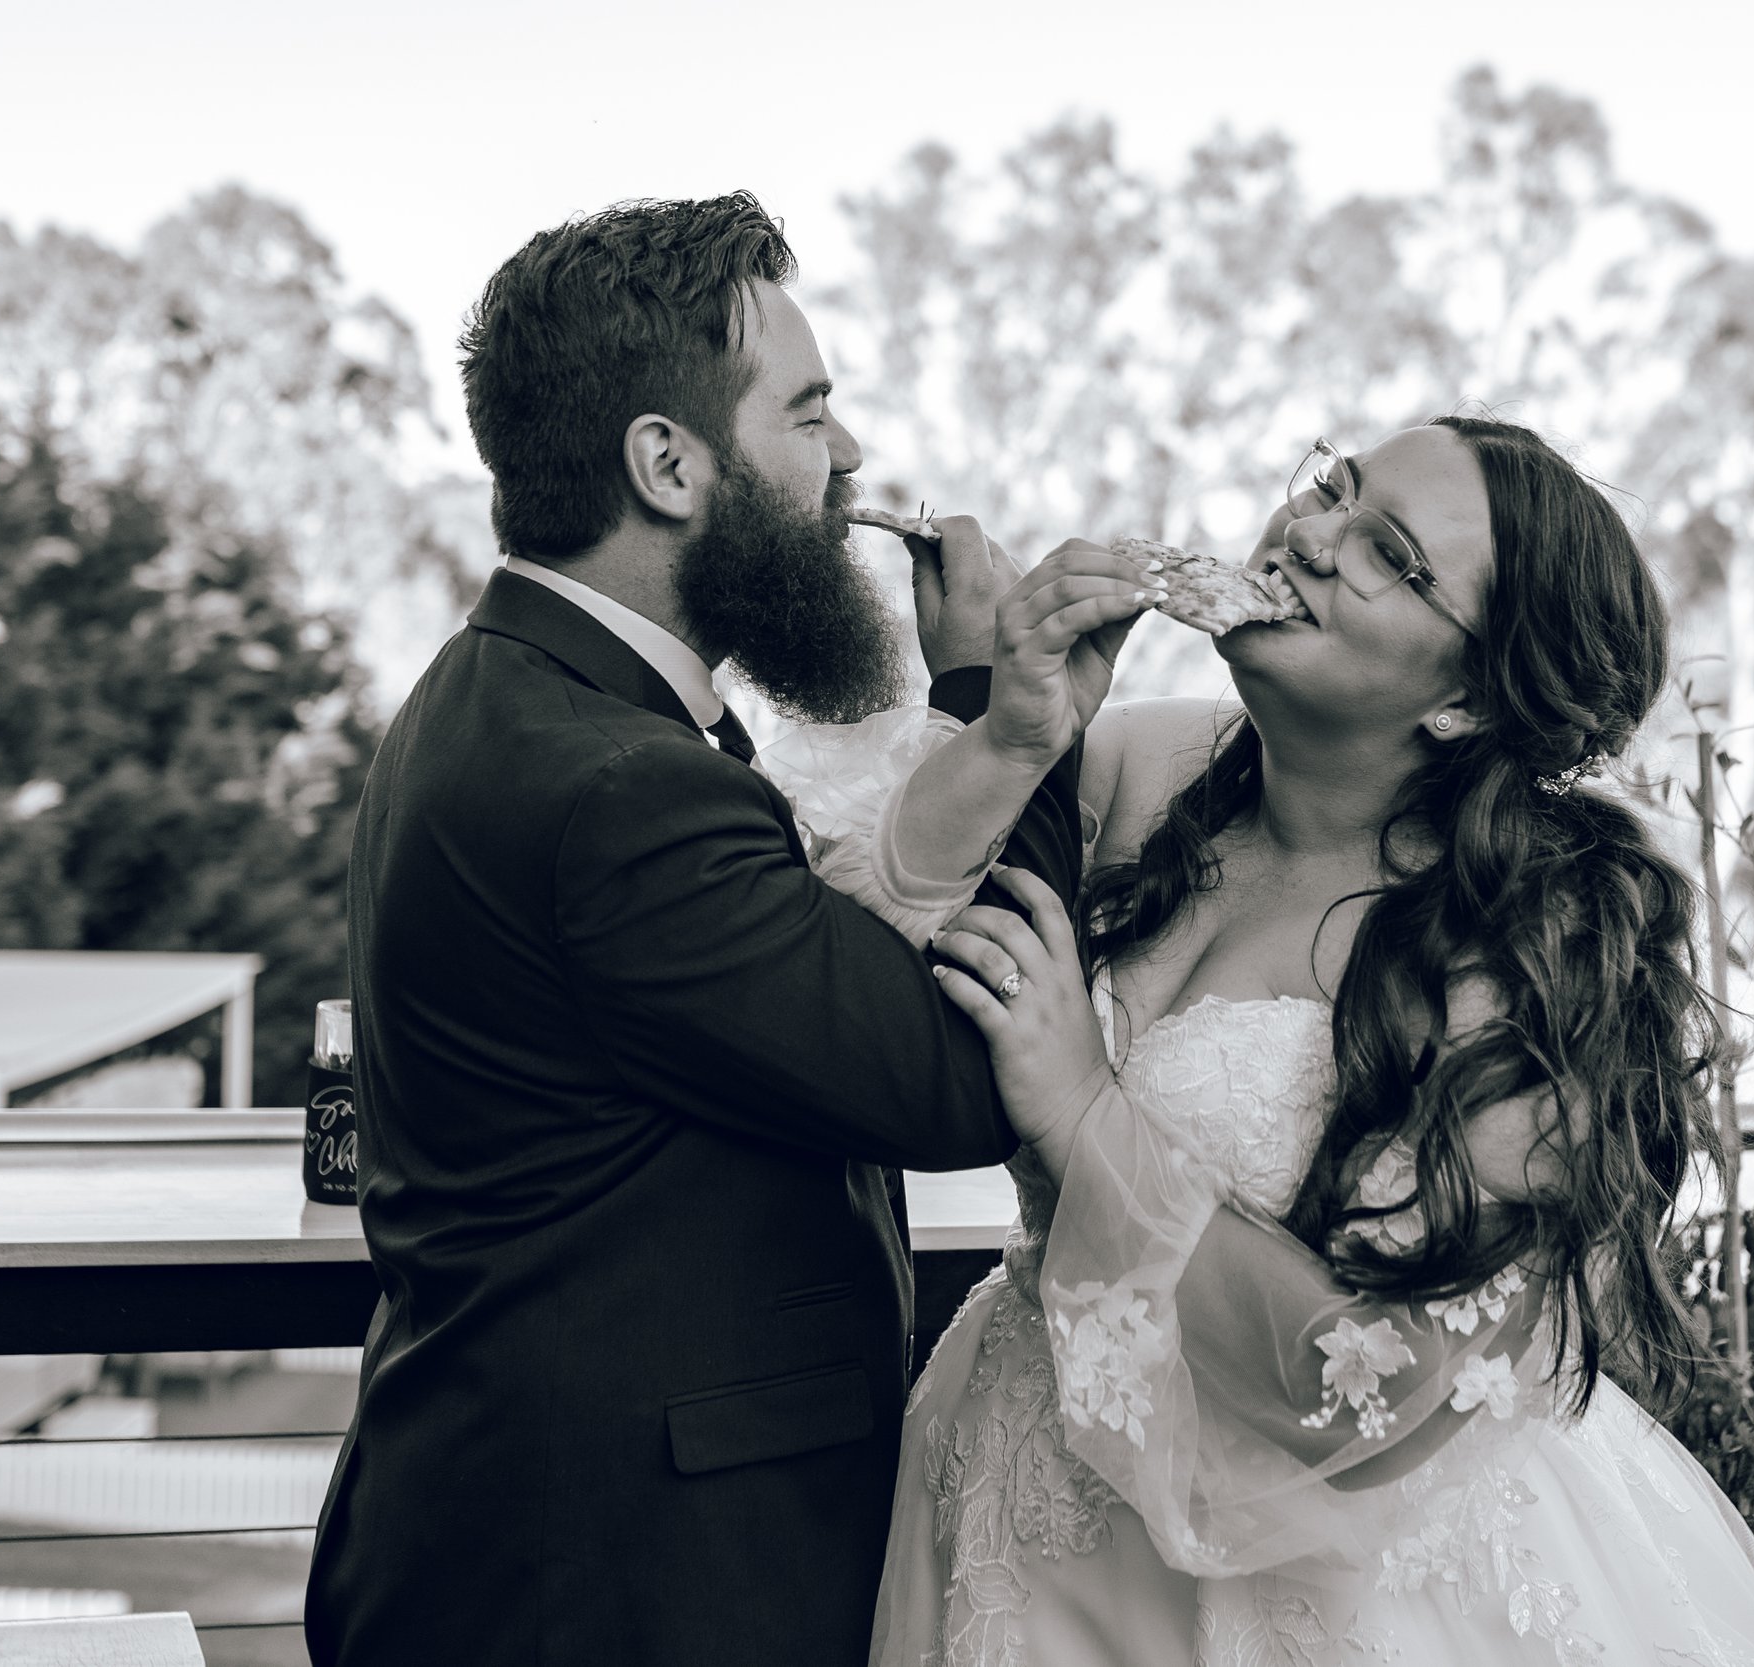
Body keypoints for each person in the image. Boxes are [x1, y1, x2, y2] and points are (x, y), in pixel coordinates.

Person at [800, 417, 1754, 1663]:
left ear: (1464, 699)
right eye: (1329, 491)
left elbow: (1378, 1380)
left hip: (1328, 1592)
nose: (1312, 537)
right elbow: (848, 972)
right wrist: (1008, 733)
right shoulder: (1140, 766)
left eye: (1389, 552)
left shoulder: (1525, 948)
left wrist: (1081, 1111)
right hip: (1019, 1504)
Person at [302, 194, 1157, 1667]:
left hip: (516, 1538)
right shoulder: (620, 785)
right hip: (613, 1586)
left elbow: (808, 965)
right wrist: (1017, 724)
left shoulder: (517, 695)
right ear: (669, 462)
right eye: (811, 414)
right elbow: (949, 1080)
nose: (851, 461)